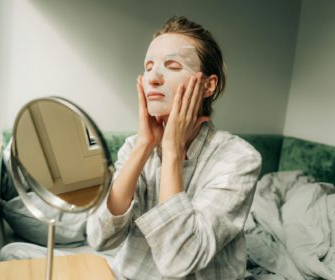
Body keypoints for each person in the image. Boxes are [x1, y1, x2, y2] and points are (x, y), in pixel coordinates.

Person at [87, 16, 262, 280]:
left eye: (172, 65)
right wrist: (144, 146)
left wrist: (172, 151)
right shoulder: (135, 146)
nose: (153, 78)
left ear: (208, 85)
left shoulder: (239, 158)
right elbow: (99, 238)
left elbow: (179, 261)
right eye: (148, 67)